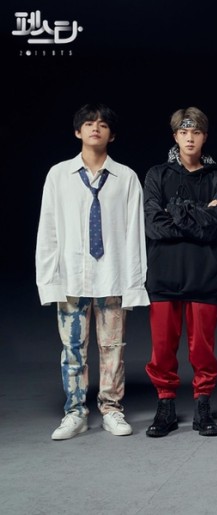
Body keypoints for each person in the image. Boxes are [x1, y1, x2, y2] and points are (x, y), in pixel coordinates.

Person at [35, 103, 149, 440]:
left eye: (102, 124)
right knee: (72, 349)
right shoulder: (59, 176)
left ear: (112, 135)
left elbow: (135, 234)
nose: (95, 128)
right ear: (77, 131)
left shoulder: (126, 178)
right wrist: (49, 280)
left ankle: (111, 408)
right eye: (88, 123)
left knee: (114, 349)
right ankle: (75, 412)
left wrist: (134, 283)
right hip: (72, 277)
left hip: (112, 276)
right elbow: (48, 230)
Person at [143, 107, 217, 438]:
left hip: (205, 275)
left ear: (204, 137)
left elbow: (214, 225)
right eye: (184, 132)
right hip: (163, 275)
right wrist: (198, 213)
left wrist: (176, 210)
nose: (190, 138)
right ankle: (165, 406)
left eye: (196, 132)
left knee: (202, 350)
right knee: (162, 349)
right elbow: (154, 225)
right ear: (175, 136)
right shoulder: (157, 175)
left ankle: (202, 407)